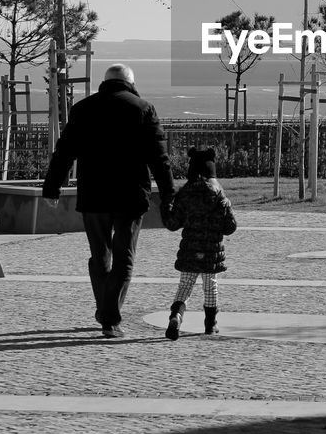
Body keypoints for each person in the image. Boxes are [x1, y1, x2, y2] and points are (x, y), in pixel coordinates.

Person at [43, 63, 175, 338]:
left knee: (99, 255)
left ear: (105, 82)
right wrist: (168, 195)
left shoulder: (83, 109)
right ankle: (109, 317)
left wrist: (52, 188)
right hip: (130, 196)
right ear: (130, 83)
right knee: (124, 257)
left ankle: (106, 312)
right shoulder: (143, 109)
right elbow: (159, 159)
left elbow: (64, 152)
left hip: (94, 195)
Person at [163, 146, 237, 340]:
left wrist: (166, 206)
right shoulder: (219, 195)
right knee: (210, 285)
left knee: (185, 285)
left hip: (190, 248)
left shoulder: (185, 194)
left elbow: (172, 223)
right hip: (212, 249)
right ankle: (210, 323)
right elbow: (230, 227)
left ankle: (176, 316)